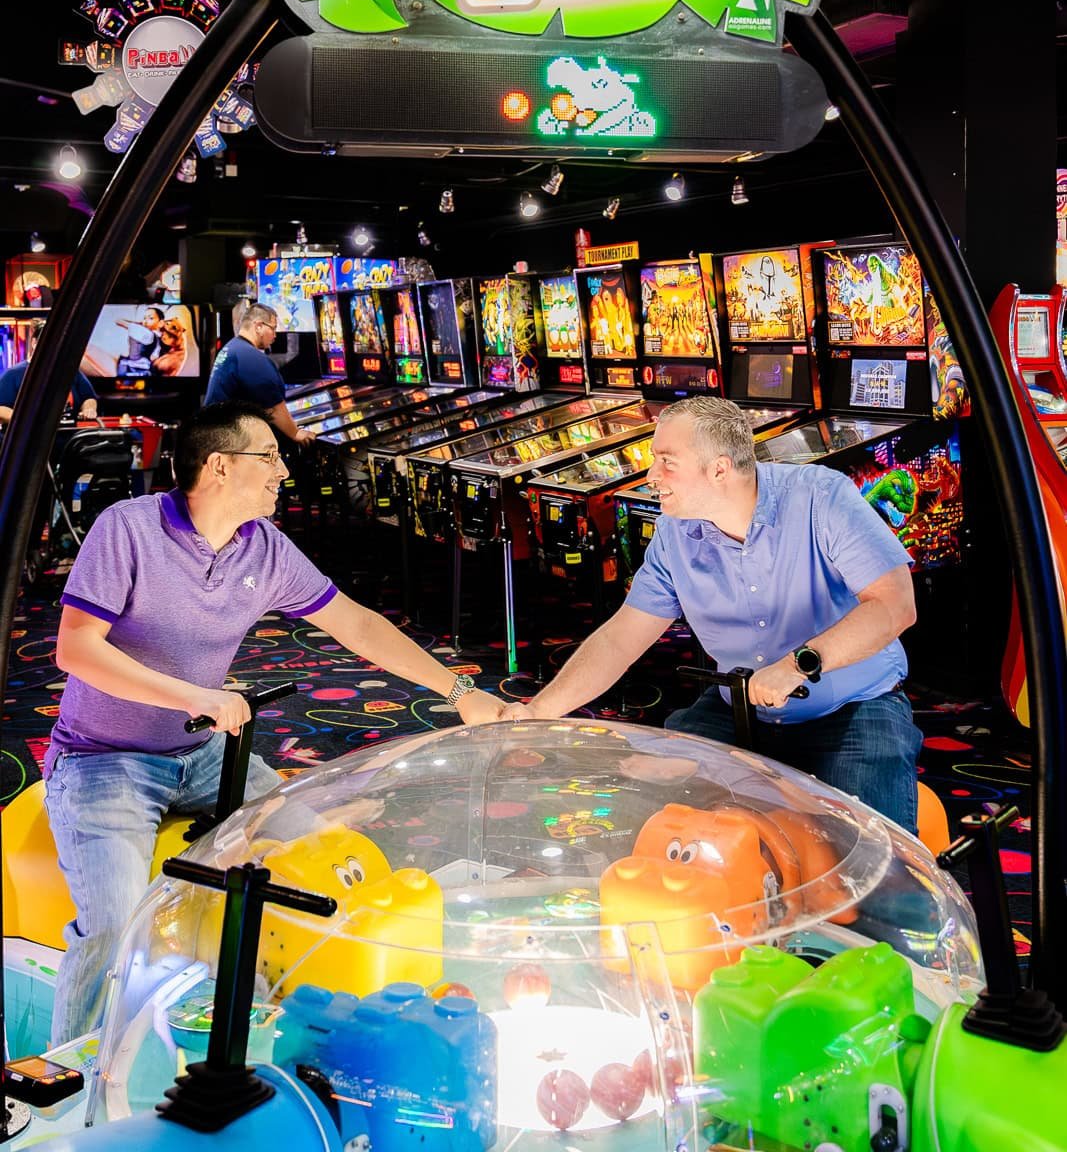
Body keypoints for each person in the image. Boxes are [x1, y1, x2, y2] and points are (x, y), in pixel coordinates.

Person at [44, 400, 505, 1042]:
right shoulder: (128, 529)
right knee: (116, 924)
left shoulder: (263, 548)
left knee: (320, 856)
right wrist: (193, 697)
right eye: (269, 456)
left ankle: (272, 1027)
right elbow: (77, 650)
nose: (283, 470)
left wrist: (458, 689)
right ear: (220, 466)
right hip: (104, 758)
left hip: (205, 753)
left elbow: (357, 625)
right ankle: (69, 1079)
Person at [504, 396, 921, 833]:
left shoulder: (821, 498)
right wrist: (539, 711)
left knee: (872, 851)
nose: (651, 478)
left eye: (667, 462)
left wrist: (798, 664)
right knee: (647, 816)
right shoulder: (674, 532)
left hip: (853, 705)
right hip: (736, 703)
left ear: (720, 469)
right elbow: (621, 638)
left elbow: (894, 605)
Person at [204, 302, 311, 445]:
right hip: (226, 438)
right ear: (258, 326)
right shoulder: (249, 356)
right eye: (273, 328)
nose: (275, 335)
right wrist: (296, 433)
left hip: (216, 433)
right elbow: (273, 408)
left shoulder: (233, 347)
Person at [0, 343, 97, 427]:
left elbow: (88, 397)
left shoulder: (71, 371)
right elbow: (1, 409)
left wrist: (89, 409)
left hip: (70, 438)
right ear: (34, 343)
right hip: (30, 441)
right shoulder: (13, 374)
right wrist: (26, 420)